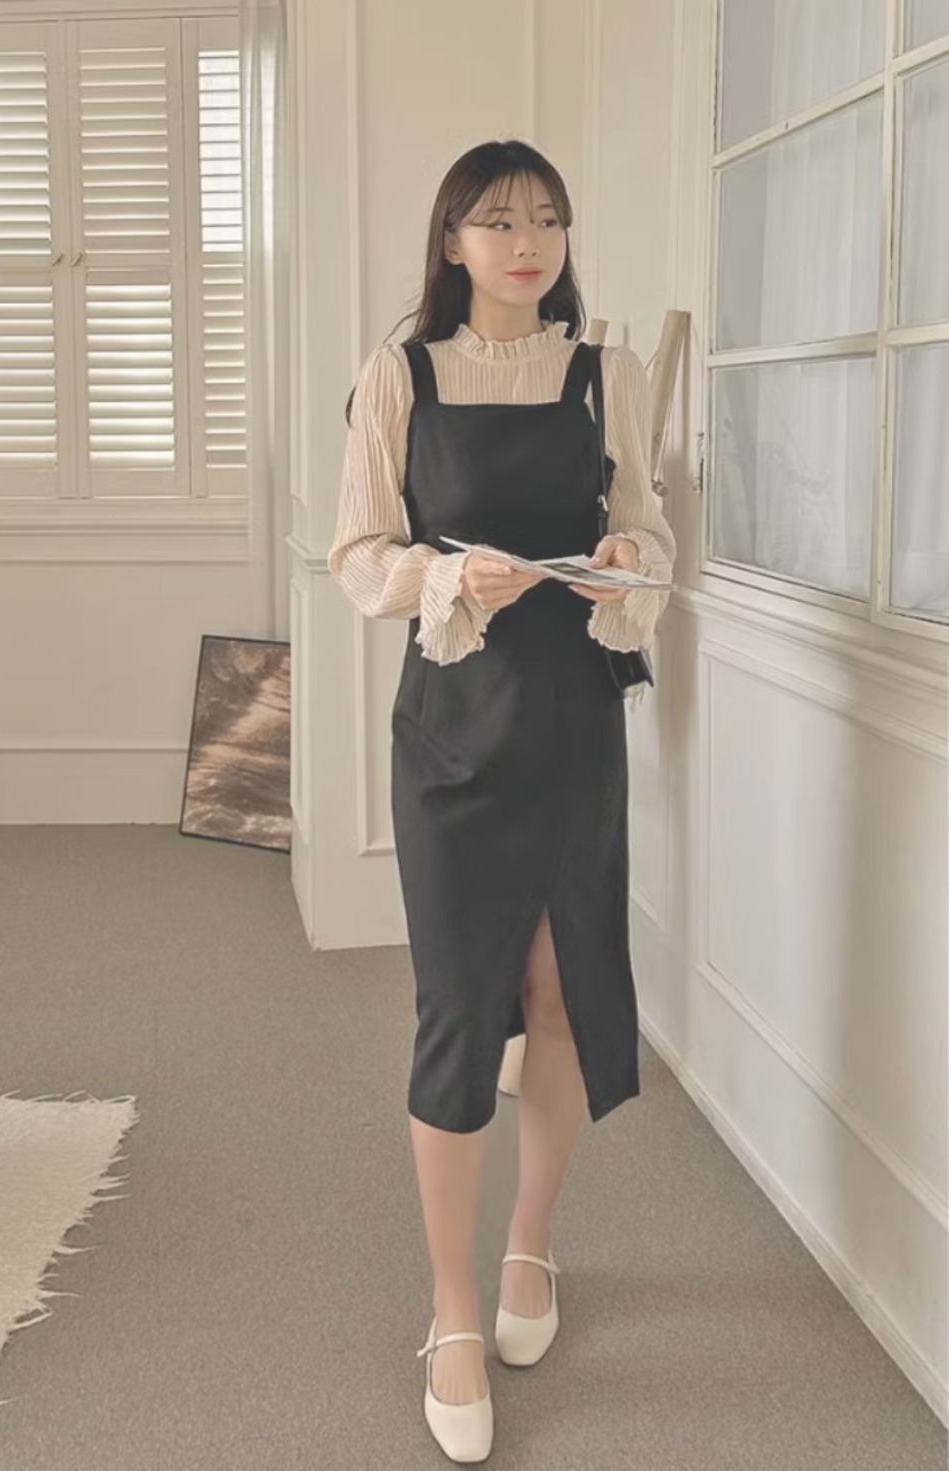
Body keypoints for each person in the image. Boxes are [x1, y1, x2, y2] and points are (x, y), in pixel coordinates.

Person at [328, 139, 675, 1464]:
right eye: (496, 221)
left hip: (574, 726)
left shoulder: (605, 375)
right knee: (460, 1012)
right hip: (453, 735)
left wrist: (625, 554)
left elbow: (653, 536)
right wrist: (445, 579)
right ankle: (454, 1308)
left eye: (545, 220)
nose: (525, 243)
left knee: (560, 991)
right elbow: (357, 556)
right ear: (453, 242)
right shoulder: (400, 377)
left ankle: (531, 1244)